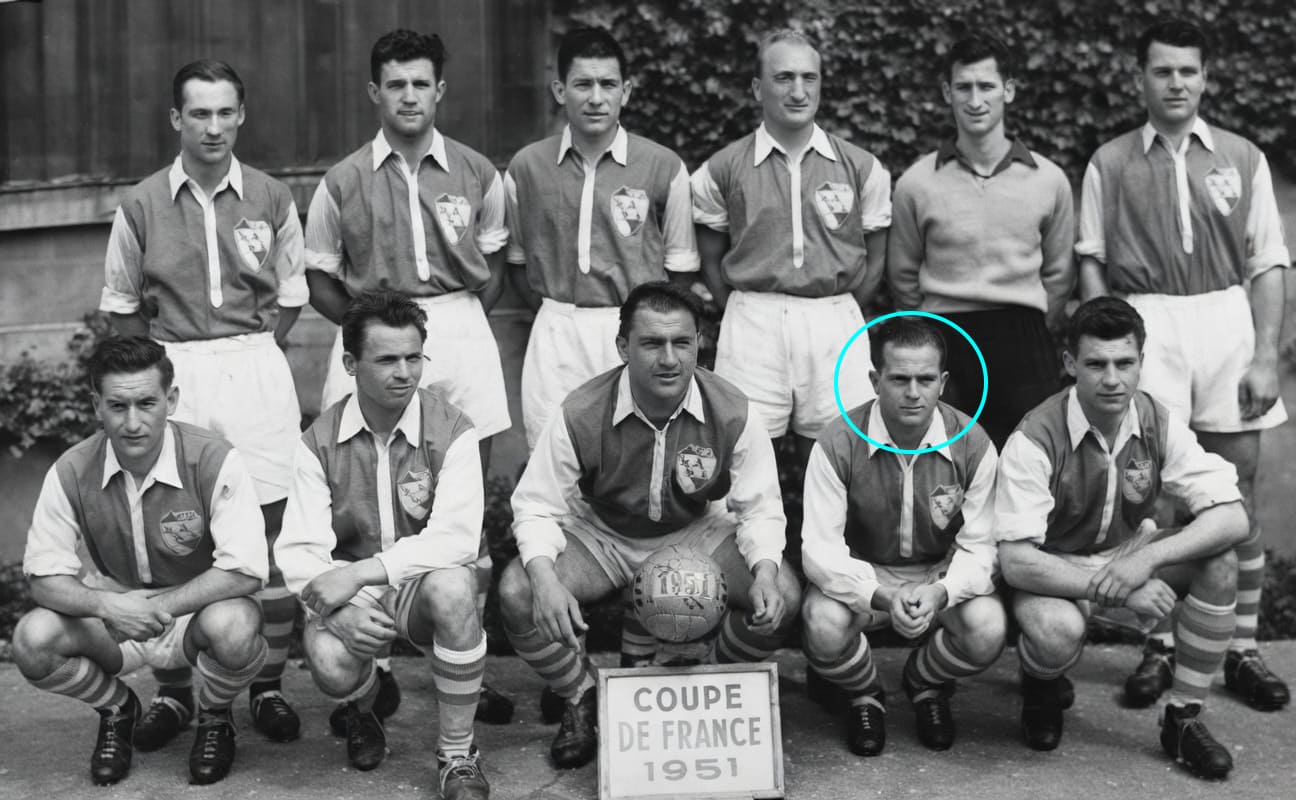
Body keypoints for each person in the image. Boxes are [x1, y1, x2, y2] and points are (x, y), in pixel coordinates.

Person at [1075, 18, 1290, 712]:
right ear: (1140, 77)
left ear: (1205, 77)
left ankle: (1241, 648)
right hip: (1149, 321)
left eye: (1187, 71)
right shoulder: (1109, 161)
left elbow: (1268, 265)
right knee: (1156, 490)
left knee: (1238, 485)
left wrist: (1264, 356)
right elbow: (1090, 260)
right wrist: (1108, 340)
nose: (1176, 83)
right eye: (1162, 70)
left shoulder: (1242, 156)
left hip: (1224, 318)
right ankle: (1159, 645)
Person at [498, 281, 801, 769]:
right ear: (623, 347)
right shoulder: (580, 411)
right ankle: (582, 695)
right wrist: (544, 578)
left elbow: (761, 507)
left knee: (783, 592)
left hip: (695, 531)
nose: (669, 359)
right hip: (604, 534)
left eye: (682, 342)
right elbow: (536, 505)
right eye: (651, 343)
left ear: (699, 343)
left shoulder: (733, 409)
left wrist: (764, 572)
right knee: (518, 591)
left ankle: (708, 682)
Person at [304, 27, 514, 726]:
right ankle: (373, 666)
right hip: (376, 329)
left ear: (440, 90)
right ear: (375, 92)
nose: (409, 95)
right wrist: (369, 328)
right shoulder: (342, 180)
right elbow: (319, 277)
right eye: (395, 84)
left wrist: (447, 321)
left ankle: (468, 665)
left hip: (455, 325)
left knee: (464, 509)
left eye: (421, 82)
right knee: (362, 490)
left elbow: (492, 266)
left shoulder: (480, 172)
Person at [99, 60, 305, 746]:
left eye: (225, 113)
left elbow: (291, 298)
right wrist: (172, 365)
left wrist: (244, 354)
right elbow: (123, 308)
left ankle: (267, 685)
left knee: (267, 539)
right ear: (176, 120)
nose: (213, 127)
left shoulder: (273, 197)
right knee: (176, 538)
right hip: (177, 367)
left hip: (254, 366)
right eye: (199, 114)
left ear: (241, 115)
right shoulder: (140, 204)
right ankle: (178, 693)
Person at [996, 297, 1248, 779]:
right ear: (1070, 364)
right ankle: (1041, 681)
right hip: (1052, 568)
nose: (1112, 379)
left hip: (1126, 554)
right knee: (1057, 633)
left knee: (1220, 561)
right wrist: (1122, 587)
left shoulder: (1157, 419)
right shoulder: (1034, 437)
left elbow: (1232, 517)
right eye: (1096, 364)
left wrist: (1143, 564)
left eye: (1124, 363)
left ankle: (1183, 719)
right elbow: (1017, 563)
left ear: (1141, 363)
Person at [12, 337, 269, 786]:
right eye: (117, 406)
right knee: (32, 639)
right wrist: (111, 607)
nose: (133, 423)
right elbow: (43, 576)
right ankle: (118, 709)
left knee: (236, 628)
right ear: (96, 405)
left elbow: (244, 568)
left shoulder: (213, 457)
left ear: (170, 399)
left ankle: (214, 714)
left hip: (194, 613)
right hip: (115, 617)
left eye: (147, 403)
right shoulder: (72, 469)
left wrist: (161, 606)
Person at [276, 291, 490, 799]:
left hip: (420, 584)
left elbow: (456, 539)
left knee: (456, 588)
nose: (405, 373)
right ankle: (366, 706)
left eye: (414, 357)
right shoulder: (317, 442)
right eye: (387, 359)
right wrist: (339, 610)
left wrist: (360, 571)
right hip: (360, 595)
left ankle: (457, 755)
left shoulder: (454, 430)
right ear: (350, 363)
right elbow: (300, 551)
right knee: (328, 660)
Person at [800, 317, 1003, 757]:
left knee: (988, 629)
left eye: (926, 379)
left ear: (943, 381)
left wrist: (942, 591)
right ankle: (866, 694)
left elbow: (982, 545)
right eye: (899, 378)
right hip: (866, 572)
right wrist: (884, 594)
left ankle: (924, 682)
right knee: (821, 625)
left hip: (938, 572)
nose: (913, 392)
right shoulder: (837, 442)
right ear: (876, 380)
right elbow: (820, 549)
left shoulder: (974, 444)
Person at [691, 28, 890, 468]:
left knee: (841, 460)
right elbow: (708, 255)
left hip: (835, 319)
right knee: (743, 460)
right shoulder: (721, 169)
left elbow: (876, 255)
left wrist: (841, 308)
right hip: (753, 322)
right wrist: (740, 306)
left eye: (809, 78)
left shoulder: (862, 167)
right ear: (758, 88)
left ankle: (831, 542)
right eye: (783, 78)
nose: (798, 91)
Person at [504, 25, 699, 451]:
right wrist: (561, 309)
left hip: (635, 329)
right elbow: (517, 265)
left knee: (636, 452)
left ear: (626, 91)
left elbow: (681, 269)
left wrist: (643, 321)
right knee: (552, 453)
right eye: (583, 84)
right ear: (560, 90)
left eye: (608, 84)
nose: (596, 97)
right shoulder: (526, 168)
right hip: (557, 329)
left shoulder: (663, 166)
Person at [887, 33, 1075, 448]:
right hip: (945, 335)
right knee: (946, 461)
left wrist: (1034, 323)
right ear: (947, 93)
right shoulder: (917, 182)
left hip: (1023, 335)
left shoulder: (1048, 179)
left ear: (1007, 90)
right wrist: (929, 332)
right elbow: (902, 274)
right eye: (964, 87)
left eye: (986, 86)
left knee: (1031, 457)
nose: (976, 100)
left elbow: (1060, 272)